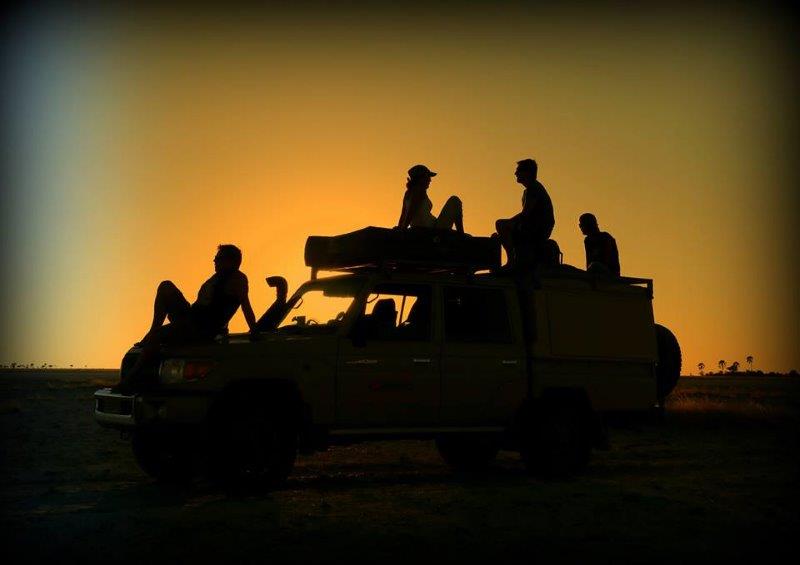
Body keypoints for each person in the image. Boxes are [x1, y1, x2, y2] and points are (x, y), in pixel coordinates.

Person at [115, 244, 257, 392]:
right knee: (166, 287)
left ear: (230, 261)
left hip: (201, 327)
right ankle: (152, 331)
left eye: (218, 258)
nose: (214, 261)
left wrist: (254, 330)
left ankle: (131, 378)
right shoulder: (218, 276)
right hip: (192, 317)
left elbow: (245, 306)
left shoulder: (237, 279)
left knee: (157, 336)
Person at [495, 158, 555, 269]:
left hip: (537, 229)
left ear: (527, 173)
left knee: (500, 224)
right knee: (499, 233)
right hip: (533, 227)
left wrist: (509, 223)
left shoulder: (534, 188)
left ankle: (512, 261)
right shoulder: (530, 190)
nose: (515, 173)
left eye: (518, 170)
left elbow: (525, 214)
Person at [396, 164, 464, 233]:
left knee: (454, 201)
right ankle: (461, 234)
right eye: (427, 177)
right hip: (433, 228)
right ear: (420, 178)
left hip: (430, 226)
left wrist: (400, 227)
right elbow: (410, 211)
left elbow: (403, 214)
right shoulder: (418, 191)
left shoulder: (408, 193)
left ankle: (460, 234)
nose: (430, 180)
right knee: (455, 200)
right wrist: (403, 229)